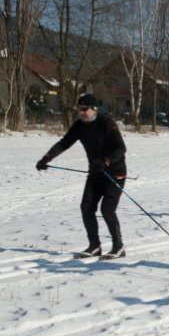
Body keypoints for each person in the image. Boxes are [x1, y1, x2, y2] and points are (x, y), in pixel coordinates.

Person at [35, 93, 128, 259]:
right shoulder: (79, 126)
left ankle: (118, 246)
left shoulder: (106, 122)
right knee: (86, 208)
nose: (80, 112)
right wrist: (46, 158)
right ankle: (94, 246)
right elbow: (64, 143)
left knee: (107, 209)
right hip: (95, 173)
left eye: (84, 109)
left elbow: (121, 148)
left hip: (115, 173)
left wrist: (106, 162)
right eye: (78, 109)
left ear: (94, 109)